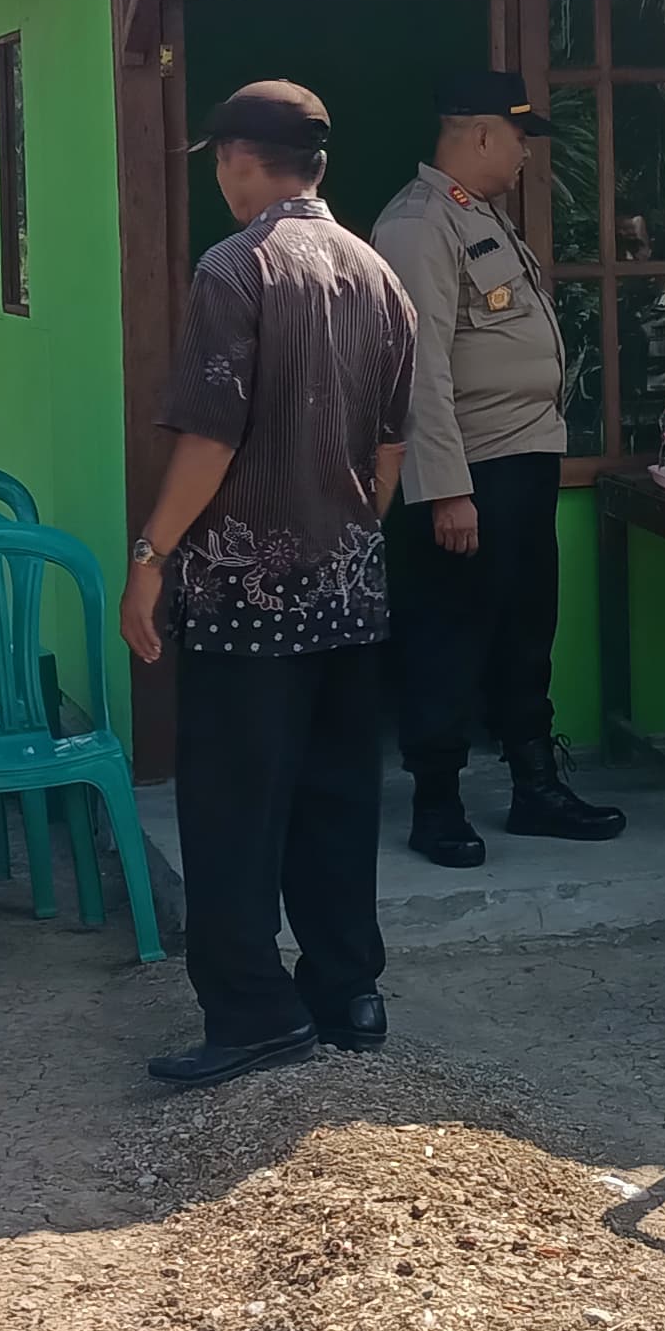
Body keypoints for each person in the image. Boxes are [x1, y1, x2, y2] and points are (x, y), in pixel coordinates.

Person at [119, 82, 417, 1088]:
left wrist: (150, 557)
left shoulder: (235, 267)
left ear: (238, 159)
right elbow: (388, 453)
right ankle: (349, 993)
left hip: (246, 596)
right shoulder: (378, 273)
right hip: (349, 589)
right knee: (337, 799)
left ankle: (252, 1012)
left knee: (232, 809)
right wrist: (344, 537)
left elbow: (211, 438)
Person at [372, 69, 623, 869]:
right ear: (481, 133)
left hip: (522, 462)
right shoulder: (418, 225)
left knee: (524, 630)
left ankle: (535, 786)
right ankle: (437, 803)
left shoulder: (479, 217)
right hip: (468, 473)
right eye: (519, 138)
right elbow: (418, 371)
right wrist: (447, 491)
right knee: (448, 636)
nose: (525, 155)